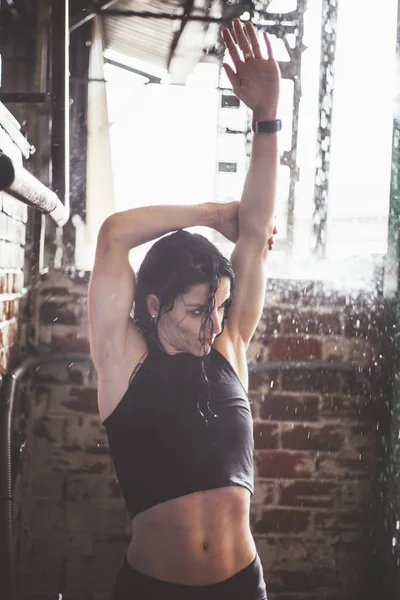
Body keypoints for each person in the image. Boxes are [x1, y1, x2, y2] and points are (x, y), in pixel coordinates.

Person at [88, 17, 281, 600]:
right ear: (154, 303)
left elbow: (253, 234)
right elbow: (115, 234)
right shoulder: (122, 359)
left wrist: (268, 117)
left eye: (219, 308)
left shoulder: (228, 347)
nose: (213, 326)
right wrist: (206, 212)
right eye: (198, 311)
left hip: (244, 586)